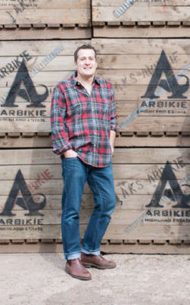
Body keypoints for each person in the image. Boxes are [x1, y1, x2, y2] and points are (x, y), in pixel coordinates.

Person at [51, 44, 118, 281]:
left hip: (101, 156)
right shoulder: (63, 89)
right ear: (76, 64)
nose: (87, 62)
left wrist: (110, 143)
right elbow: (57, 124)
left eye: (91, 58)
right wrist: (68, 152)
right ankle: (72, 259)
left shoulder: (106, 88)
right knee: (71, 209)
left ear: (96, 62)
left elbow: (112, 119)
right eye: (82, 59)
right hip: (76, 158)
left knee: (108, 203)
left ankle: (89, 251)